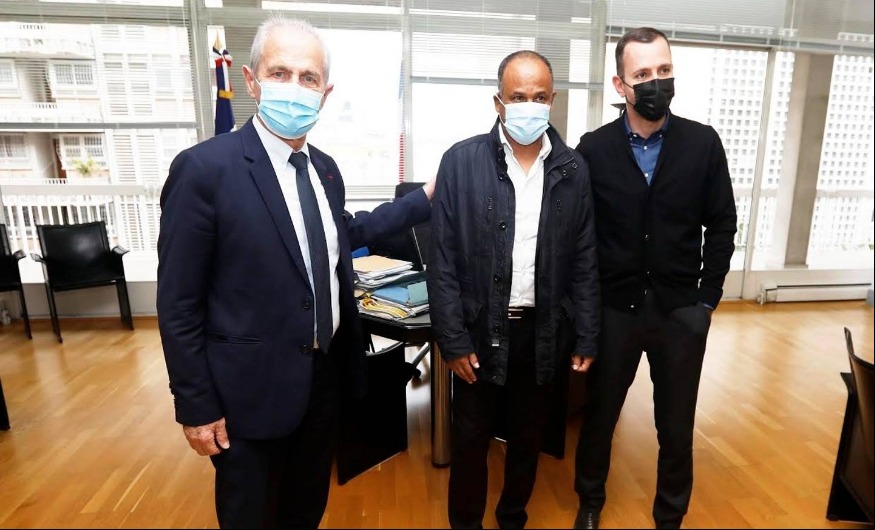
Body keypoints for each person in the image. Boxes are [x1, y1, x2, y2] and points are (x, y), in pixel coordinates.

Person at [156, 16, 434, 529]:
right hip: (248, 392)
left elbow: (338, 234)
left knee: (305, 509)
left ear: (324, 93)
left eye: (308, 78)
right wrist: (195, 405)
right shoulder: (204, 170)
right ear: (251, 80)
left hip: (322, 380)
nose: (295, 87)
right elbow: (178, 303)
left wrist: (424, 199)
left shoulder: (324, 169)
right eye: (279, 73)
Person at [570, 27, 737, 530]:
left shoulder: (703, 143)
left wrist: (707, 299)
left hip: (680, 311)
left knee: (676, 425)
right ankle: (590, 502)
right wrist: (584, 309)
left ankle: (670, 515)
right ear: (620, 85)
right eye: (642, 74)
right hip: (614, 310)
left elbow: (722, 224)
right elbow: (578, 235)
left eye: (663, 70)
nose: (656, 82)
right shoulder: (593, 149)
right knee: (600, 417)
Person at [427, 50, 600, 529]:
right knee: (470, 441)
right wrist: (452, 339)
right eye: (518, 96)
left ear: (553, 100)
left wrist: (587, 333)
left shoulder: (573, 168)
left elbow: (585, 257)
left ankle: (512, 518)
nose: (529, 106)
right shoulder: (461, 162)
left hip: (542, 332)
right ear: (498, 102)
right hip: (479, 330)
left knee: (528, 439)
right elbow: (442, 261)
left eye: (539, 97)